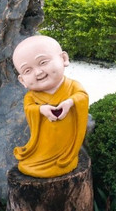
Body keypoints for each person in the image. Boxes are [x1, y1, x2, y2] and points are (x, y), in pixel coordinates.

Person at [12, 35, 88, 178]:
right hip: (44, 144)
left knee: (65, 157)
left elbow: (82, 97)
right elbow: (29, 109)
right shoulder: (31, 96)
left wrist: (70, 102)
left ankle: (67, 157)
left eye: (43, 62)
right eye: (27, 70)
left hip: (67, 141)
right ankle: (43, 160)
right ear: (22, 80)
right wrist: (41, 109)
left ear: (63, 59)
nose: (38, 72)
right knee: (30, 164)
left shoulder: (72, 86)